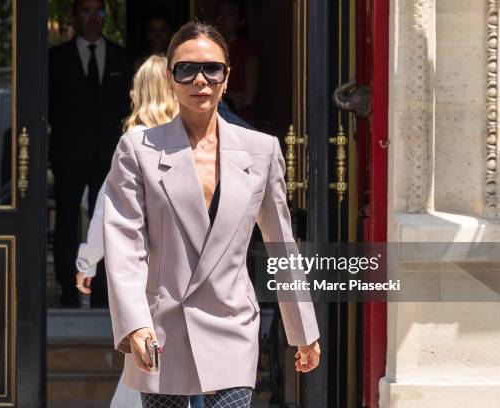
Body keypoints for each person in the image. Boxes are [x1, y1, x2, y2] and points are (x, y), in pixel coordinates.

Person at [101, 21, 320, 408]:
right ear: (170, 77)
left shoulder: (262, 150)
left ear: (227, 75)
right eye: (186, 69)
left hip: (231, 323)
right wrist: (135, 323)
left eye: (212, 69)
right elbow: (124, 246)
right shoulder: (137, 151)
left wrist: (303, 329)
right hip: (162, 328)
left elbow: (281, 242)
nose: (199, 80)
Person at [75, 54, 179, 408]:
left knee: (144, 367)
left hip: (144, 271)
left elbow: (109, 210)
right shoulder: (191, 139)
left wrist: (87, 260)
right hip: (184, 271)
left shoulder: (135, 141)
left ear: (140, 93)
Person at [48, 0, 131, 307]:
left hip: (110, 155)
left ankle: (102, 291)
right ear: (75, 16)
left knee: (109, 222)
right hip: (69, 154)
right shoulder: (56, 59)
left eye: (99, 11)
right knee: (67, 222)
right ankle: (68, 289)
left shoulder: (122, 57)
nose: (93, 18)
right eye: (86, 11)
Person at [214, 0, 259, 121]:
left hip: (240, 119)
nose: (223, 19)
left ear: (241, 21)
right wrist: (228, 96)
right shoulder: (210, 48)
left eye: (230, 15)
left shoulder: (248, 50)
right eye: (220, 14)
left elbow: (248, 98)